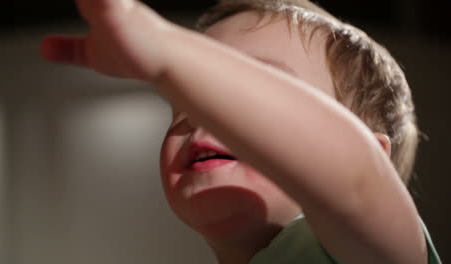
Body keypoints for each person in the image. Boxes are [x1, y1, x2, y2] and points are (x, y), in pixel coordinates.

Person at [40, 0, 442, 263]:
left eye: (245, 97)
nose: (203, 113)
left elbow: (356, 177)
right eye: (185, 100)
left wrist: (163, 49)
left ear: (375, 154)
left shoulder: (371, 253)